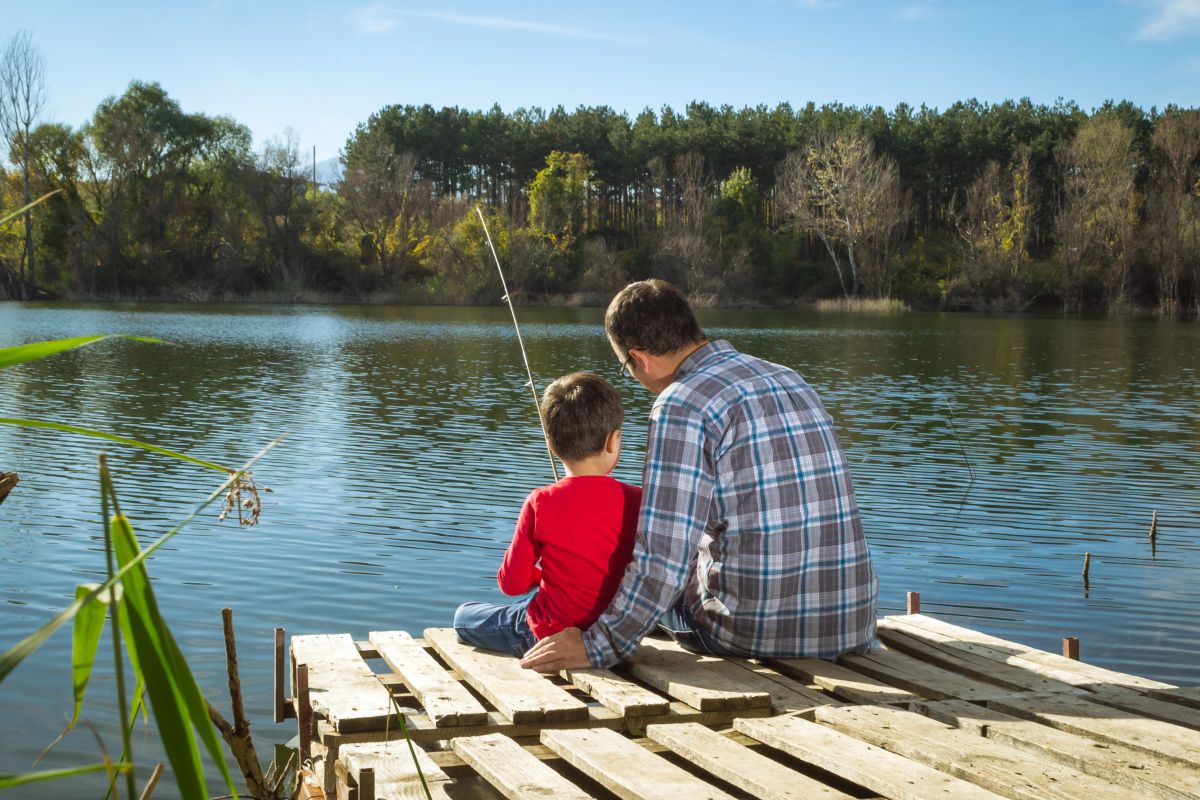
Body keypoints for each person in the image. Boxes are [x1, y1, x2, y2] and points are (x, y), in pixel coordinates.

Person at [521, 279, 877, 671]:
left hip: (749, 633)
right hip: (850, 624)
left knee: (612, 583)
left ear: (640, 358)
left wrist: (598, 645)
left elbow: (662, 559)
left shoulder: (681, 404)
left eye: (626, 368)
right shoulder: (789, 378)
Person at [453, 372, 642, 657]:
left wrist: (537, 574)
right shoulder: (639, 500)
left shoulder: (541, 502)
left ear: (552, 446)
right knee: (536, 598)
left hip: (546, 635)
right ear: (613, 441)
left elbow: (511, 583)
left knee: (463, 617)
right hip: (613, 633)